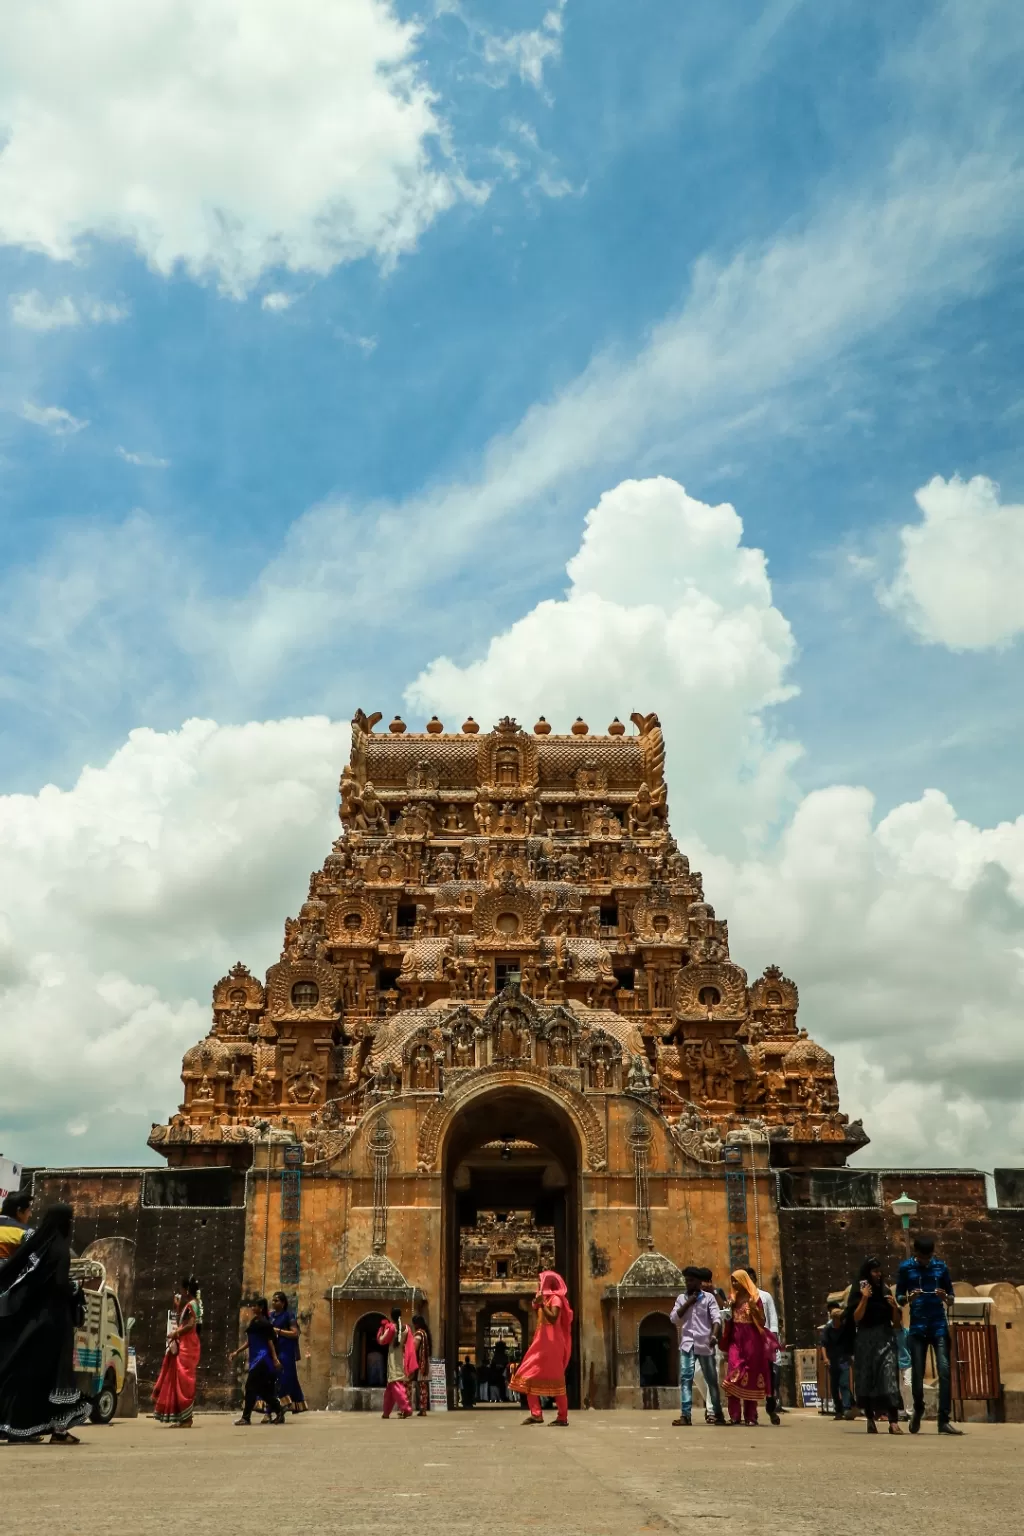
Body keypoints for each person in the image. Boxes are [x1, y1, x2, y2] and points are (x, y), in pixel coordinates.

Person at [0, 1203, 91, 1444]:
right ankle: (58, 1431)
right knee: (57, 1376)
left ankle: (21, 1427)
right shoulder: (60, 1247)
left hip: (32, 1320)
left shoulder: (39, 1245)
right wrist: (75, 1290)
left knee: (27, 1373)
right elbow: (60, 1285)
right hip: (53, 1323)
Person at [896, 1234, 961, 1437]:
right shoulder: (906, 1268)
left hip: (939, 1324)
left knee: (944, 1370)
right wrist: (909, 1297)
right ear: (916, 1253)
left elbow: (951, 1298)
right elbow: (899, 1299)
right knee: (916, 1373)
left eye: (929, 1257)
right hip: (917, 1327)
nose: (926, 1261)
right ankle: (918, 1408)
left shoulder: (940, 1268)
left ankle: (944, 1419)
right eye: (922, 1258)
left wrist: (945, 1297)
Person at [845, 1257, 903, 1434]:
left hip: (885, 1338)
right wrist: (864, 1298)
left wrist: (894, 1308)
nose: (878, 1275)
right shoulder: (858, 1291)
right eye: (874, 1271)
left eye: (879, 1271)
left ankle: (893, 1421)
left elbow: (896, 1323)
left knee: (889, 1377)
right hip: (865, 1340)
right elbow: (856, 1317)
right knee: (867, 1379)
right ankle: (870, 1419)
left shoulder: (885, 1291)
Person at [511, 1270, 573, 1426]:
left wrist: (542, 1304)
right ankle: (536, 1414)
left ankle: (562, 1417)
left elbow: (552, 1318)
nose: (539, 1284)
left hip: (553, 1344)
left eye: (541, 1282)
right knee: (527, 1374)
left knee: (557, 1379)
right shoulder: (543, 1299)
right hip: (540, 1342)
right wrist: (539, 1302)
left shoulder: (556, 1299)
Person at [670, 1265, 725, 1426]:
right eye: (686, 1280)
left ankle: (718, 1413)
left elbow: (716, 1319)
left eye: (691, 1280)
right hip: (687, 1345)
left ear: (699, 1282)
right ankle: (685, 1415)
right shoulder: (681, 1298)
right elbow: (674, 1318)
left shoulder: (708, 1298)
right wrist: (688, 1303)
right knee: (686, 1379)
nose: (688, 1283)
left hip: (705, 1344)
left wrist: (714, 1335)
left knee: (711, 1380)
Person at [721, 1269, 775, 1426]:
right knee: (732, 1376)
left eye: (737, 1280)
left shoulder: (754, 1299)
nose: (734, 1284)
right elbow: (728, 1320)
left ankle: (751, 1416)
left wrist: (754, 1309)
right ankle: (734, 1415)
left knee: (750, 1376)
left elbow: (762, 1321)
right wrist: (728, 1310)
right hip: (735, 1343)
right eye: (733, 1281)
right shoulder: (732, 1299)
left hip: (751, 1342)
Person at [153, 1274, 202, 1428]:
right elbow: (184, 1321)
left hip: (188, 1345)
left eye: (182, 1288)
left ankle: (187, 1419)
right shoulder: (192, 1304)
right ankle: (182, 1418)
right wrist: (177, 1306)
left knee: (184, 1380)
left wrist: (176, 1334)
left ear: (186, 1289)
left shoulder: (193, 1304)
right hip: (187, 1343)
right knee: (178, 1379)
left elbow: (191, 1325)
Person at [230, 1297, 284, 1426]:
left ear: (261, 1308)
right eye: (252, 1305)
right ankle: (279, 1410)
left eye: (255, 1306)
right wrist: (237, 1352)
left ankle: (246, 1417)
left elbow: (270, 1342)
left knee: (250, 1387)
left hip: (262, 1359)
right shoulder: (254, 1322)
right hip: (255, 1359)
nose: (253, 1308)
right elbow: (250, 1342)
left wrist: (275, 1359)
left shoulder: (265, 1324)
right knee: (262, 1390)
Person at [746, 1268, 783, 1426]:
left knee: (771, 1377)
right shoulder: (739, 1298)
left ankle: (771, 1407)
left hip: (765, 1342)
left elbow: (772, 1318)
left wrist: (773, 1340)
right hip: (749, 1345)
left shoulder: (765, 1296)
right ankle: (750, 1414)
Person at [270, 1291, 306, 1414]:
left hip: (286, 1351)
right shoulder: (271, 1316)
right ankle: (274, 1408)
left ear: (283, 1303)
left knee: (285, 1378)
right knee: (273, 1379)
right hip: (274, 1350)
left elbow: (295, 1333)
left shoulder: (288, 1316)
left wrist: (278, 1331)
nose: (273, 1302)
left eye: (276, 1301)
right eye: (273, 1300)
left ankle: (283, 1405)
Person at [377, 1307, 414, 1419]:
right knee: (390, 1388)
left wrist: (381, 1329)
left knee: (396, 1384)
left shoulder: (391, 1328)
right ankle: (386, 1412)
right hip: (402, 1358)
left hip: (393, 1358)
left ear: (391, 1316)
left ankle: (406, 1408)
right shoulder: (407, 1328)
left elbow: (382, 1340)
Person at [820, 1304, 853, 1420]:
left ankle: (847, 1408)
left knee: (844, 1383)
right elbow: (823, 1345)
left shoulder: (844, 1328)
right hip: (832, 1360)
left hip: (843, 1359)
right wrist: (825, 1358)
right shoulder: (827, 1330)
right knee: (834, 1386)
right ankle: (838, 1410)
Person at [0, 1191, 33, 1263]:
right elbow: (33, 1262)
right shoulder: (25, 1232)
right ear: (19, 1211)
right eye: (29, 1210)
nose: (30, 1215)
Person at [411, 1314, 431, 1415]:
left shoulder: (419, 1333)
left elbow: (414, 1348)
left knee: (422, 1386)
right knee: (424, 1386)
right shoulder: (425, 1333)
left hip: (420, 1363)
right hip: (425, 1362)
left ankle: (422, 1409)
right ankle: (423, 1408)